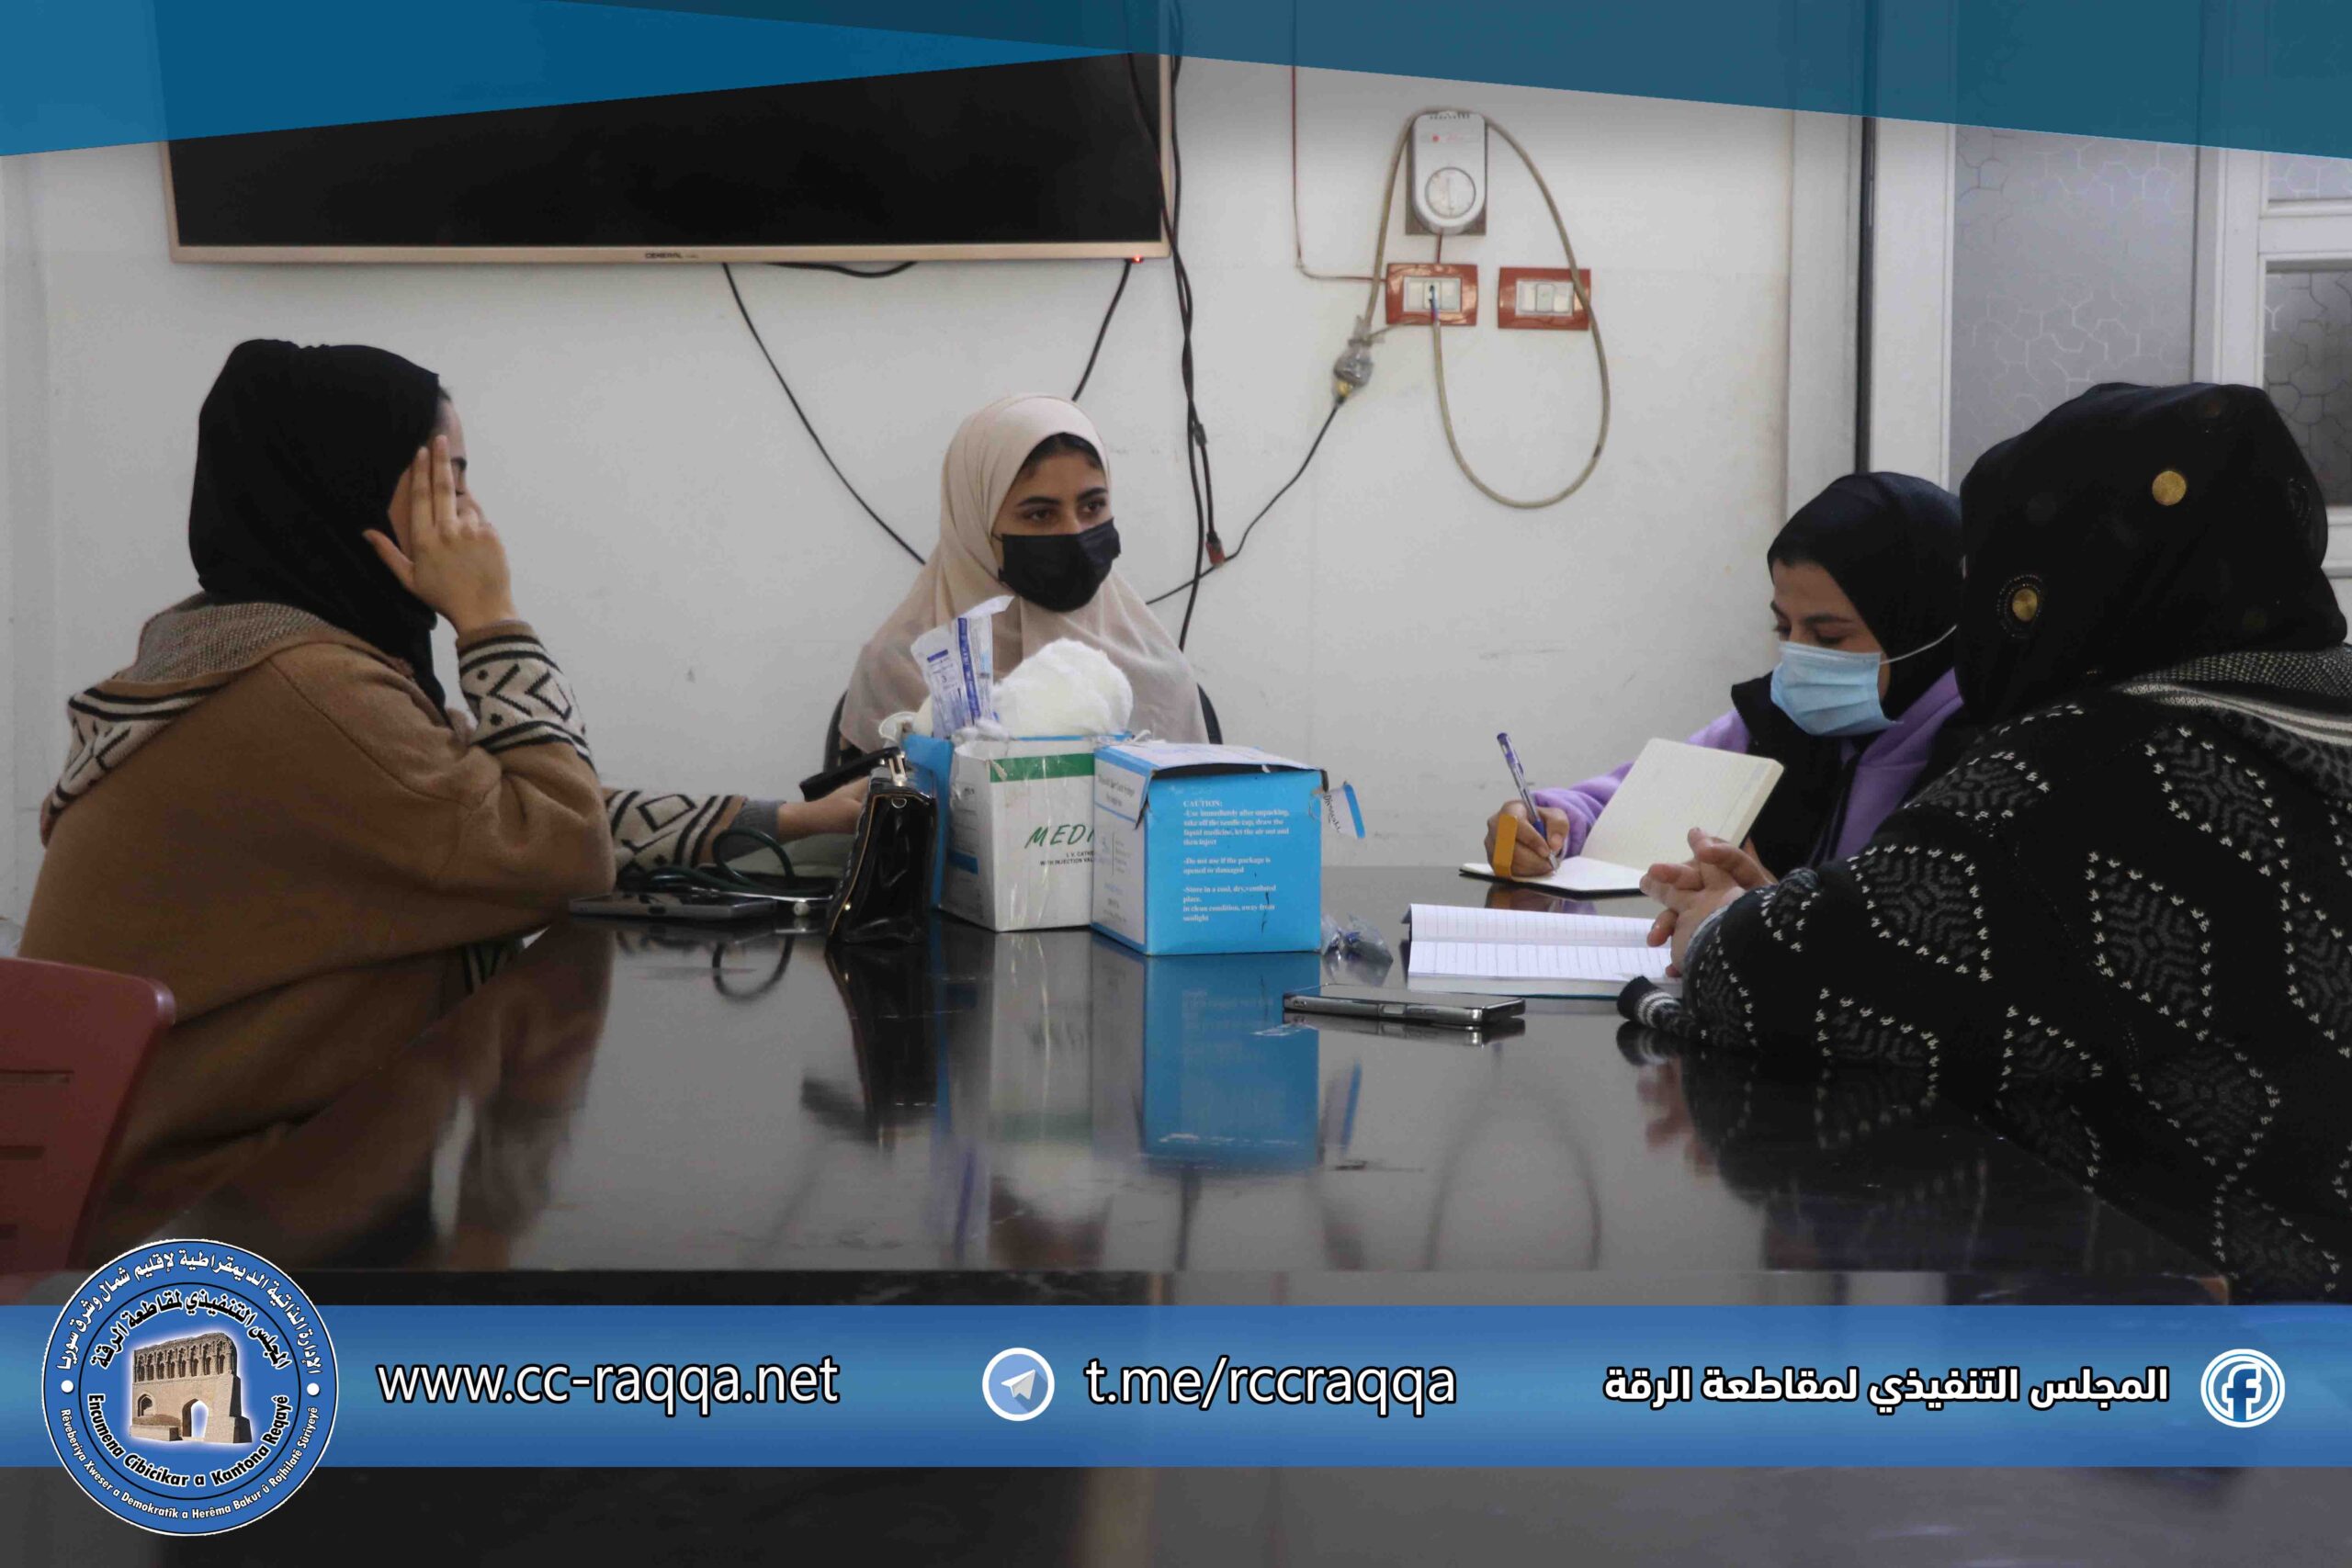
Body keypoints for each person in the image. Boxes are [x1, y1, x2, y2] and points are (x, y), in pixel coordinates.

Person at [19, 340, 862, 1158]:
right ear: (352, 485)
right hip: (192, 1196)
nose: (469, 522)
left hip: (205, 1155)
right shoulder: (303, 688)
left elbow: (510, 808)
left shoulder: (267, 651)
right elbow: (563, 848)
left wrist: (796, 820)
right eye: (447, 484)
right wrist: (491, 619)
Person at [1629, 382, 2352, 1298]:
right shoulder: (2313, 712)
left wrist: (1725, 920)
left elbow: (1778, 975)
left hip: (2217, 1327)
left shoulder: (2098, 770)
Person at [1484, 473, 1971, 880]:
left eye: (1828, 637)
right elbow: (1618, 807)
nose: (1798, 658)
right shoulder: (1776, 721)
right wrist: (1540, 825)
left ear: (1920, 629)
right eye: (1784, 628)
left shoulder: (1975, 758)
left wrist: (1766, 914)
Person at [839, 394, 1209, 755]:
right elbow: (866, 795)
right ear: (976, 524)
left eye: (1092, 506)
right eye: (1040, 514)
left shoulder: (1157, 669)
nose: (1074, 533)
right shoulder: (899, 667)